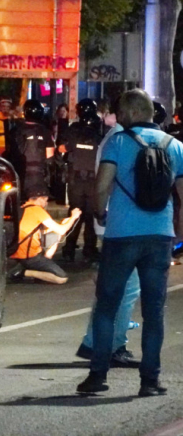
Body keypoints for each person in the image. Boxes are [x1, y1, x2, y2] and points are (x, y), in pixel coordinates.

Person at [77, 89, 183, 397]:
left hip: (121, 235)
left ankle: (98, 375)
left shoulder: (118, 142)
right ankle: (150, 380)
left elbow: (101, 186)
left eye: (121, 113)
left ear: (135, 112)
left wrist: (101, 213)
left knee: (106, 306)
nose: (118, 118)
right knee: (154, 311)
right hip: (159, 236)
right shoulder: (175, 146)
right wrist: (178, 233)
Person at [76, 102, 140, 367]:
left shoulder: (113, 139)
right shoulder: (122, 140)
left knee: (113, 289)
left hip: (113, 221)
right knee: (126, 290)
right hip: (122, 223)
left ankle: (94, 343)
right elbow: (104, 184)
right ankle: (113, 346)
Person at [10, 184, 82, 284]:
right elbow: (61, 231)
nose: (46, 203)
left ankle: (36, 266)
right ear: (40, 198)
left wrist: (64, 222)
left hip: (14, 252)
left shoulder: (22, 208)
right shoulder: (37, 210)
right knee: (61, 278)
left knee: (53, 234)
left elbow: (39, 230)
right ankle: (23, 272)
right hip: (30, 256)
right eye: (46, 200)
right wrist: (73, 217)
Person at [59, 111, 102, 262]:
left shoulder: (75, 136)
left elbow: (62, 149)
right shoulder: (99, 139)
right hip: (92, 183)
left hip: (75, 182)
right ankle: (89, 250)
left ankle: (69, 249)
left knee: (74, 214)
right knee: (90, 217)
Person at [4, 99, 54, 198]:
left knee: (19, 201)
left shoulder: (15, 130)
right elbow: (49, 156)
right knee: (37, 201)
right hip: (39, 174)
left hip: (19, 173)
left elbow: (10, 152)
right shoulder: (45, 131)